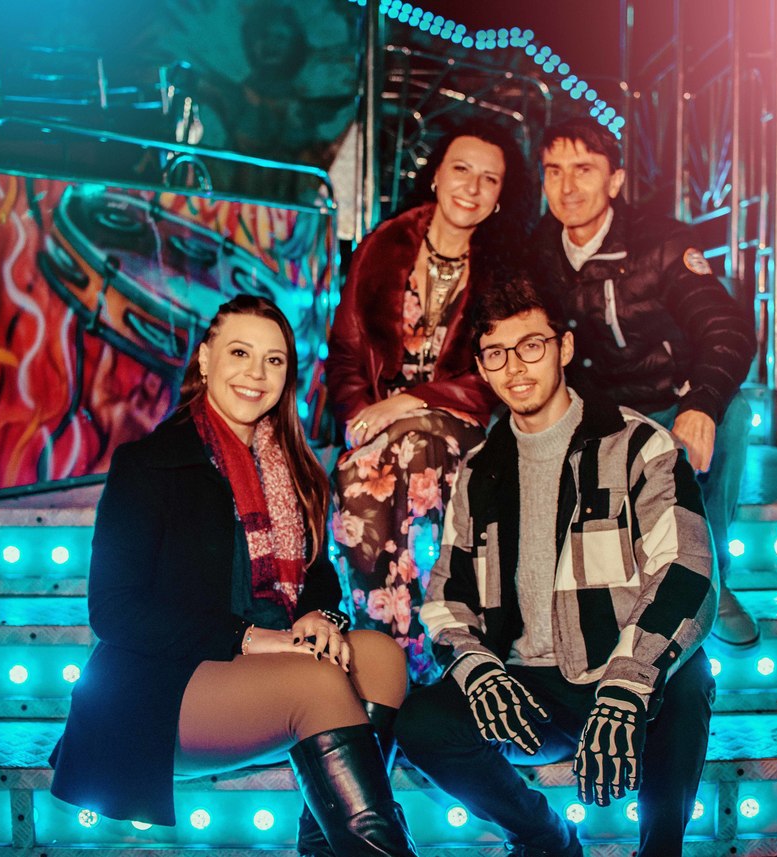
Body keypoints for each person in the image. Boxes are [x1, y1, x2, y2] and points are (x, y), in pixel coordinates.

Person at [50, 295, 418, 857]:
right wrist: (249, 638)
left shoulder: (293, 467)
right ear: (205, 359)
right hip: (165, 686)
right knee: (316, 680)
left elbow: (319, 577)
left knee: (382, 659)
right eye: (240, 353)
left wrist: (319, 616)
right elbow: (114, 611)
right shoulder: (151, 464)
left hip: (268, 669)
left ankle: (325, 847)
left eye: (274, 360)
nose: (257, 374)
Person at [395, 278, 717, 857]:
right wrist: (478, 669)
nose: (515, 366)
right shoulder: (480, 470)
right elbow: (447, 595)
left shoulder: (638, 445)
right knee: (422, 722)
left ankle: (660, 850)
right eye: (496, 353)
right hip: (528, 694)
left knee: (691, 675)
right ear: (482, 367)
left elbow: (686, 569)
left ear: (563, 348)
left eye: (531, 346)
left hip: (620, 672)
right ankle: (545, 838)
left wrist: (627, 683)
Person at [528, 116, 758, 646]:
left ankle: (711, 577)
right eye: (554, 171)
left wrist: (700, 403)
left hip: (662, 400)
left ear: (615, 180)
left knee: (734, 412)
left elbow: (726, 328)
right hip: (588, 411)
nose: (567, 187)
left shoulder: (662, 242)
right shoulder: (535, 251)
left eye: (584, 169)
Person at [325, 118, 535, 684]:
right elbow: (345, 352)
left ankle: (425, 661)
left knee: (420, 448)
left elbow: (497, 374)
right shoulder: (384, 245)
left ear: (499, 197)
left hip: (458, 421)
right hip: (377, 423)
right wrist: (360, 417)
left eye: (489, 179)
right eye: (461, 169)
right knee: (360, 475)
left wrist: (409, 402)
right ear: (436, 176)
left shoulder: (504, 269)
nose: (472, 186)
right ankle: (380, 655)